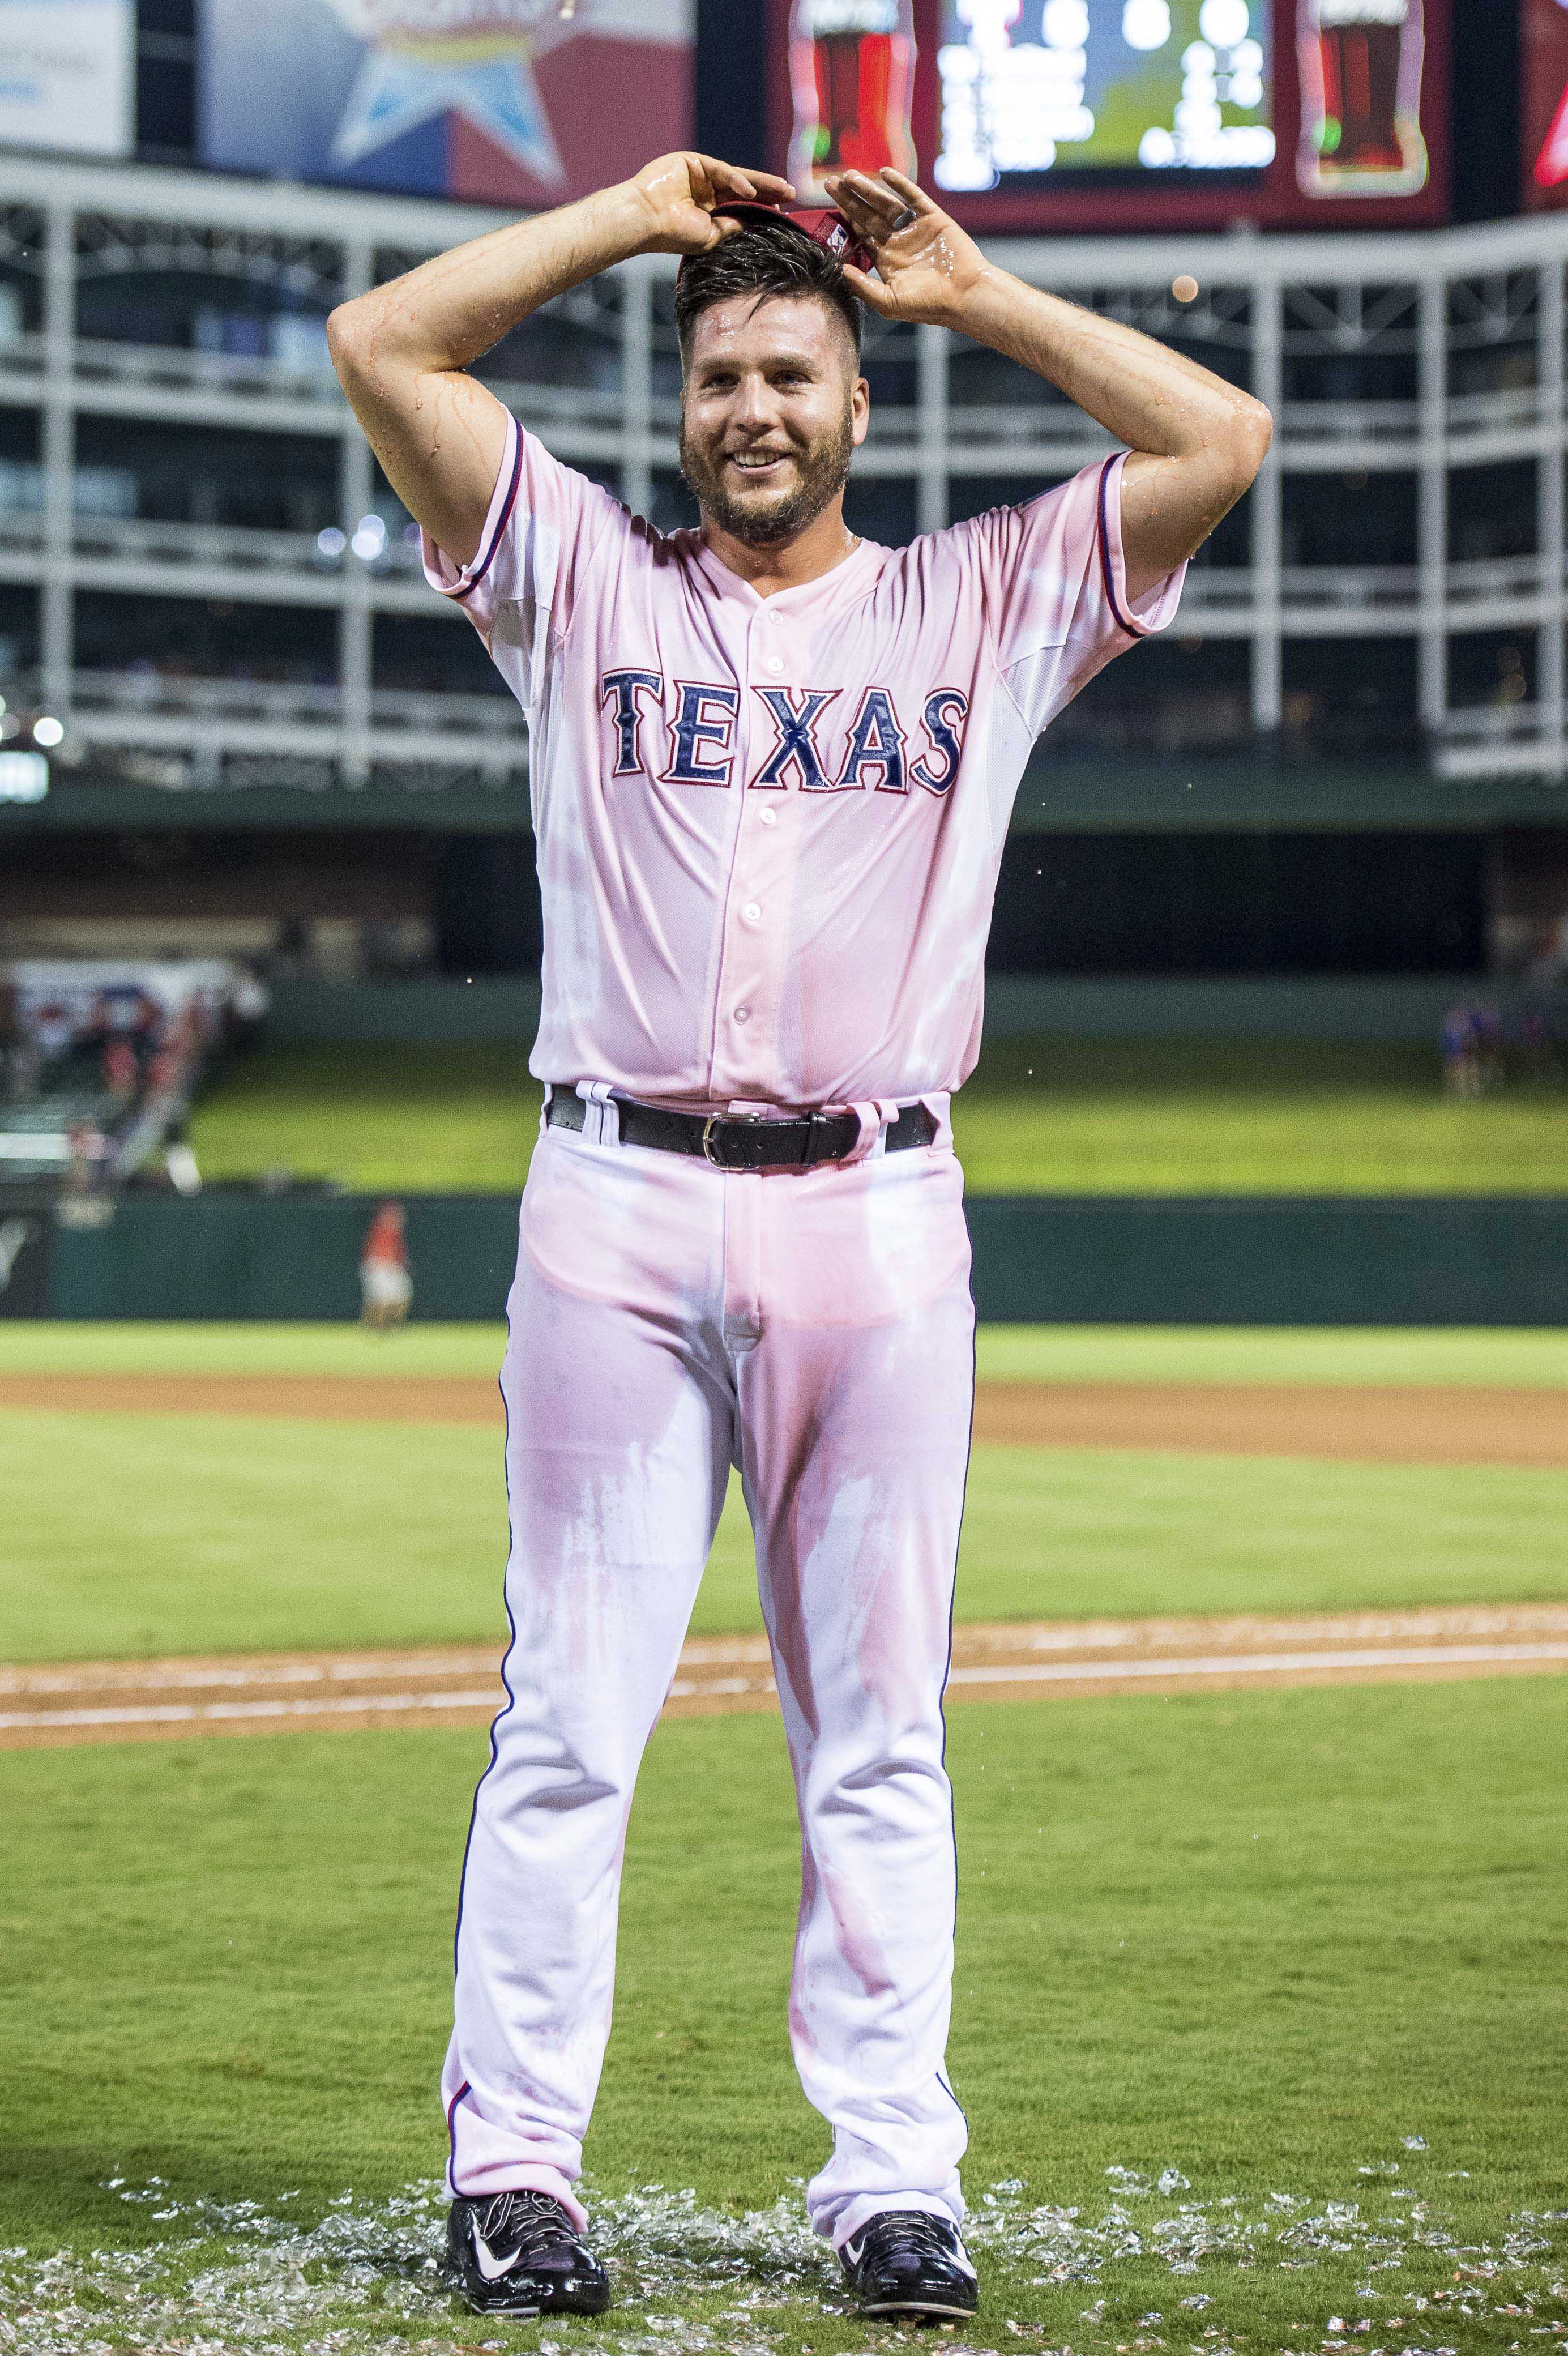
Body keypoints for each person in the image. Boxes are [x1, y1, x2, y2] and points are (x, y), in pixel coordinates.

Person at [327, 150, 1270, 2324]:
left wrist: (970, 289)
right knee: (566, 1717)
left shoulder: (978, 598)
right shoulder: (568, 573)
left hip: (876, 1213)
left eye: (791, 370)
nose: (752, 404)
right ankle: (517, 2168)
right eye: (720, 373)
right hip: (612, 1202)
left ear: (857, 401)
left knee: (879, 1732)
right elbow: (386, 342)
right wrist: (637, 213)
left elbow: (1216, 434)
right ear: (682, 404)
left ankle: (888, 2182)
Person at [359, 1199, 413, 1330]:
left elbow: (398, 1253)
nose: (400, 1217)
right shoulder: (381, 1230)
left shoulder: (396, 1233)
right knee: (379, 1301)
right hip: (378, 1267)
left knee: (404, 1296)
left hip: (391, 1268)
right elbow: (375, 1251)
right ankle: (373, 1327)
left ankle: (388, 1325)